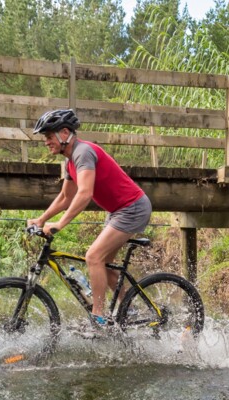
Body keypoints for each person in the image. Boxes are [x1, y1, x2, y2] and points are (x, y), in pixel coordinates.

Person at [27, 109, 152, 328]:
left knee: (93, 256)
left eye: (48, 136)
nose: (46, 142)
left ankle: (98, 317)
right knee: (104, 265)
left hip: (132, 208)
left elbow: (84, 193)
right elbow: (66, 196)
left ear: (64, 133)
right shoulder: (71, 161)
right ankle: (129, 311)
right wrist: (42, 218)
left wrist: (59, 224)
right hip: (118, 211)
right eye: (45, 137)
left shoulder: (83, 152)